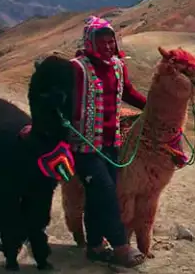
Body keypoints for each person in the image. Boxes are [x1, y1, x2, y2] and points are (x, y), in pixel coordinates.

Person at [69, 16, 148, 267]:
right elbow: (59, 99)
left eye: (111, 41)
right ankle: (120, 246)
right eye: (102, 41)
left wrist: (153, 108)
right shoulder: (77, 68)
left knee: (97, 196)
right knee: (105, 193)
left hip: (110, 144)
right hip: (84, 146)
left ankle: (94, 246)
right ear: (90, 42)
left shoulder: (117, 66)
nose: (108, 46)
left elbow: (128, 92)